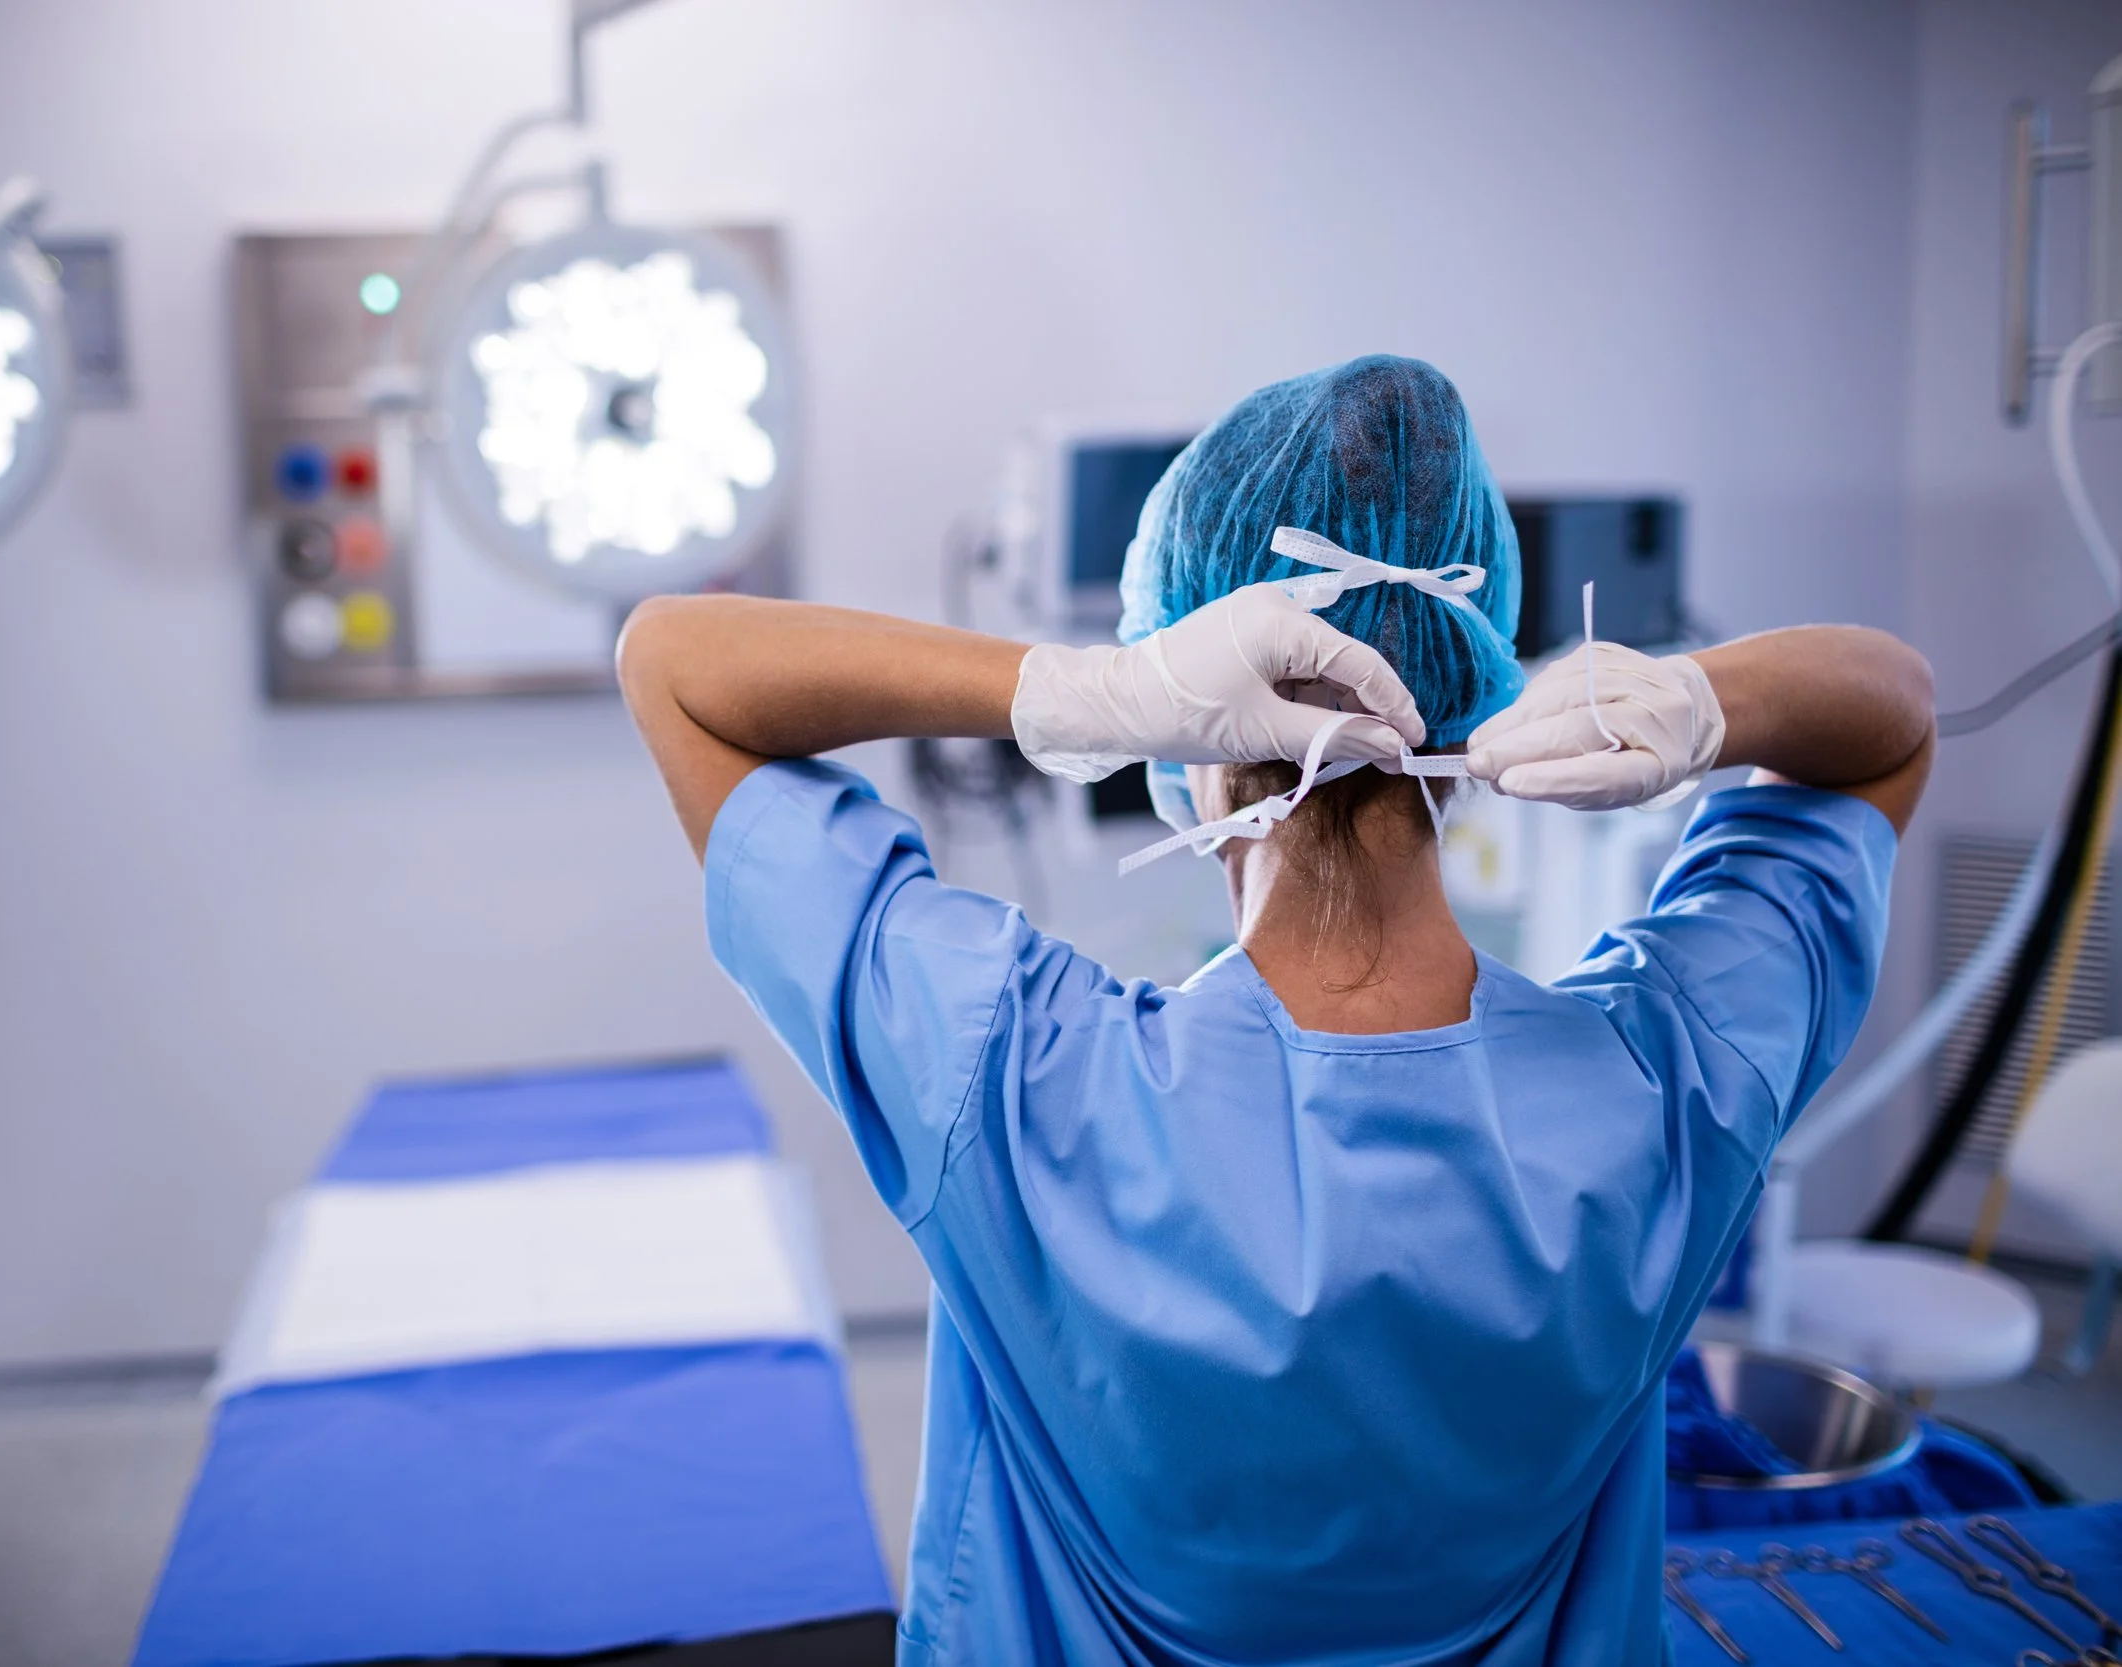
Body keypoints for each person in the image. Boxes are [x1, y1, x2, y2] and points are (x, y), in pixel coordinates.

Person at [616, 355, 1933, 1665]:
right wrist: (1703, 700)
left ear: (1192, 726)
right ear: (1484, 683)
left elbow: (676, 662)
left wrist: (1071, 691)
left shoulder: (1010, 1076)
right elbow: (1890, 721)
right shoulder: (1665, 1086)